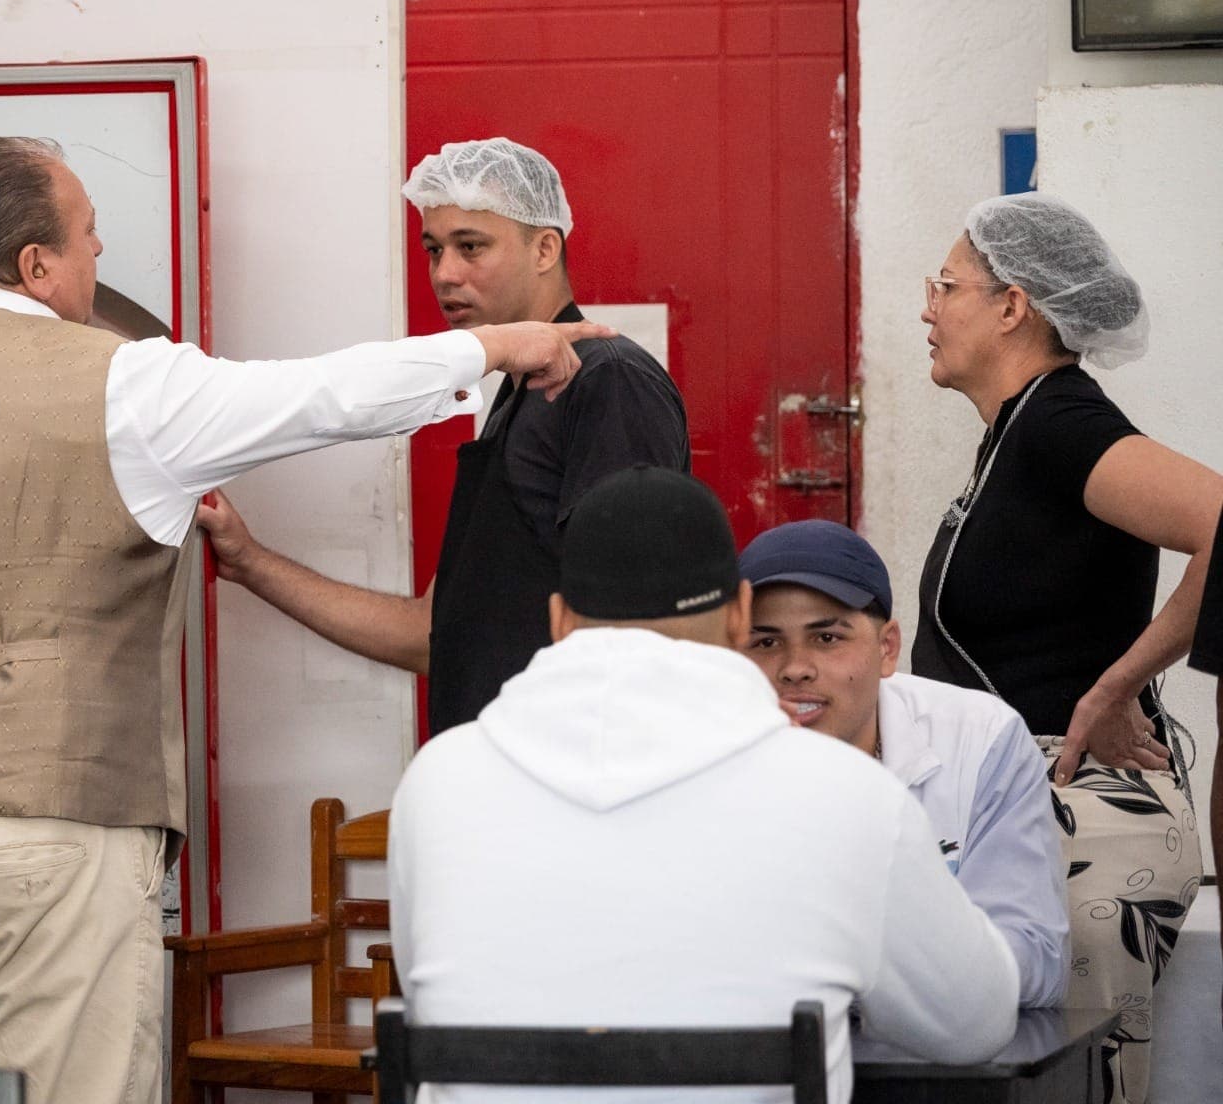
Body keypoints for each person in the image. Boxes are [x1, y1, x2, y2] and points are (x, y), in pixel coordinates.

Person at [0, 135, 609, 1103]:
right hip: (48, 830)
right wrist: (500, 344)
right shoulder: (123, 386)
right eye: (88, 236)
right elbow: (320, 395)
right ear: (35, 266)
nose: (98, 256)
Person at [388, 465, 1019, 1104]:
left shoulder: (437, 782)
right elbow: (974, 1026)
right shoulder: (846, 798)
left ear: (558, 620)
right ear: (740, 614)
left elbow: (425, 997)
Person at [196, 137, 689, 735]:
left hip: (562, 786)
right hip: (493, 780)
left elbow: (634, 624)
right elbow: (431, 633)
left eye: (471, 246)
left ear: (544, 247)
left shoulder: (605, 380)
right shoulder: (519, 391)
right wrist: (249, 562)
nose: (444, 274)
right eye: (434, 250)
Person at [911, 191, 1223, 1102]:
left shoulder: (1059, 424)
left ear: (1013, 306)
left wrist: (1120, 683)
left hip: (1091, 816)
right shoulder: (1015, 433)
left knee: (1070, 1087)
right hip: (1032, 811)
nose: (928, 308)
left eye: (946, 285)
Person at [739, 519, 1069, 1008]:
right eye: (765, 642)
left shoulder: (980, 739)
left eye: (827, 638)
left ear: (887, 648)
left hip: (936, 1060)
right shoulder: (702, 759)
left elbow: (1036, 958)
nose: (795, 667)